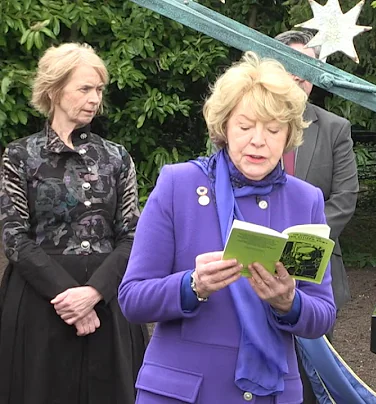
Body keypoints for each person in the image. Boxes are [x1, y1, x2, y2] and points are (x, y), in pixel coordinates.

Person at [118, 52, 336, 404]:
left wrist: (289, 303)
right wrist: (193, 285)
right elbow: (132, 299)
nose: (258, 140)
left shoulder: (305, 200)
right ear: (224, 128)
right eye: (245, 126)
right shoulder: (179, 185)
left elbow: (323, 315)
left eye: (273, 129)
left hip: (272, 394)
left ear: (289, 135)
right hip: (182, 394)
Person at [0, 43, 147, 404]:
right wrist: (69, 299)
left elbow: (132, 235)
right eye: (84, 88)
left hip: (109, 305)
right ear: (54, 90)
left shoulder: (117, 158)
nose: (94, 98)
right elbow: (14, 237)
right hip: (39, 305)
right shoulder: (19, 157)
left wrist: (93, 294)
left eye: (98, 89)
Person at [274, 30, 359, 313]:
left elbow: (344, 199)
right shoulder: (248, 124)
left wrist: (299, 247)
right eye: (292, 66)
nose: (299, 76)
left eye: (307, 67)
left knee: (314, 351)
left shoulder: (335, 128)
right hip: (256, 259)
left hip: (315, 259)